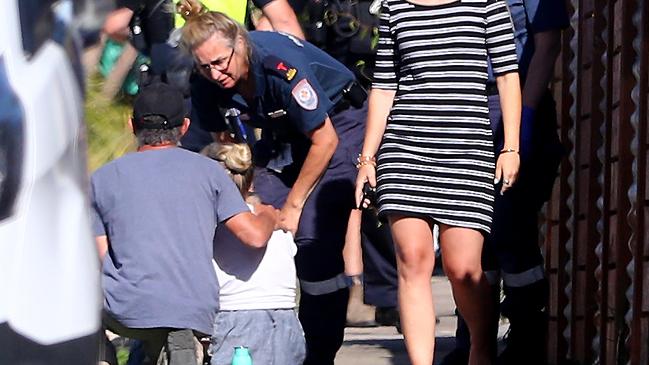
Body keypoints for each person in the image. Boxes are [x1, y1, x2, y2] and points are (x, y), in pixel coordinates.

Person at [179, 3, 367, 363]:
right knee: (247, 214)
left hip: (339, 124)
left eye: (221, 62)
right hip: (284, 135)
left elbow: (324, 140)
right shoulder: (203, 79)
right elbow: (225, 146)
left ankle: (318, 350)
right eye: (206, 66)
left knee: (313, 235)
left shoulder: (279, 67)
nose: (216, 73)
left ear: (240, 43)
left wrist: (294, 205)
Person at [354, 0, 521, 364]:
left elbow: (508, 76)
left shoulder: (487, 4)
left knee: (463, 269)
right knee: (412, 259)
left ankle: (482, 345)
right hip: (406, 148)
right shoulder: (396, 8)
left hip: (466, 149)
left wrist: (511, 147)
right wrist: (368, 158)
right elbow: (384, 86)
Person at [91, 82, 279, 364]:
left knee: (87, 315)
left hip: (124, 309)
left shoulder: (102, 178)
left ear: (132, 125)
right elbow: (253, 237)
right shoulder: (209, 172)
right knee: (176, 332)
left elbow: (102, 256)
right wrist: (269, 216)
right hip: (189, 310)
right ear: (185, 126)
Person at [441, 1, 569, 364]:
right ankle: (471, 342)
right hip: (468, 106)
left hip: (513, 101)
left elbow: (547, 43)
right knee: (471, 234)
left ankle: (527, 340)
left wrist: (524, 116)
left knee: (510, 229)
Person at [200, 142, 306, 365]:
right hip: (287, 322)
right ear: (251, 183)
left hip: (236, 321)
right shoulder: (274, 222)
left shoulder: (214, 222)